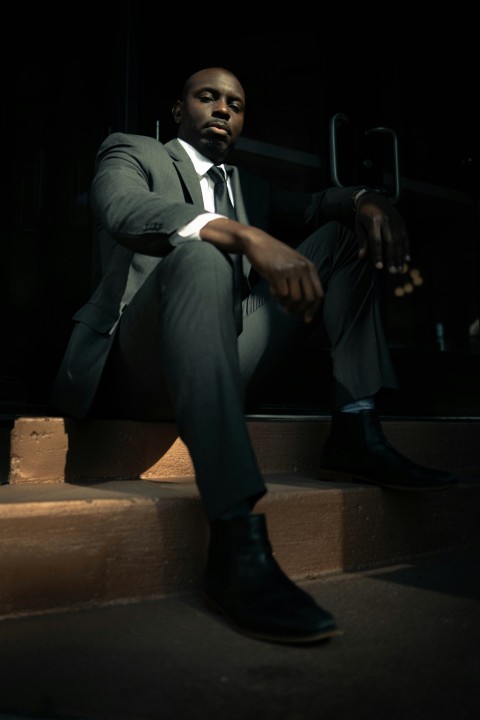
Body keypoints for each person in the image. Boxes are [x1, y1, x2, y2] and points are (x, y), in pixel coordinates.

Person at [51, 66, 457, 645]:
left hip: (221, 360)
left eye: (235, 104)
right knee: (199, 254)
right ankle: (236, 539)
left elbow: (319, 204)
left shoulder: (251, 190)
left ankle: (356, 427)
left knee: (342, 237)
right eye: (208, 97)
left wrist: (367, 198)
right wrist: (237, 233)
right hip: (134, 366)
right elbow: (121, 209)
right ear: (177, 110)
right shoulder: (133, 151)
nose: (222, 109)